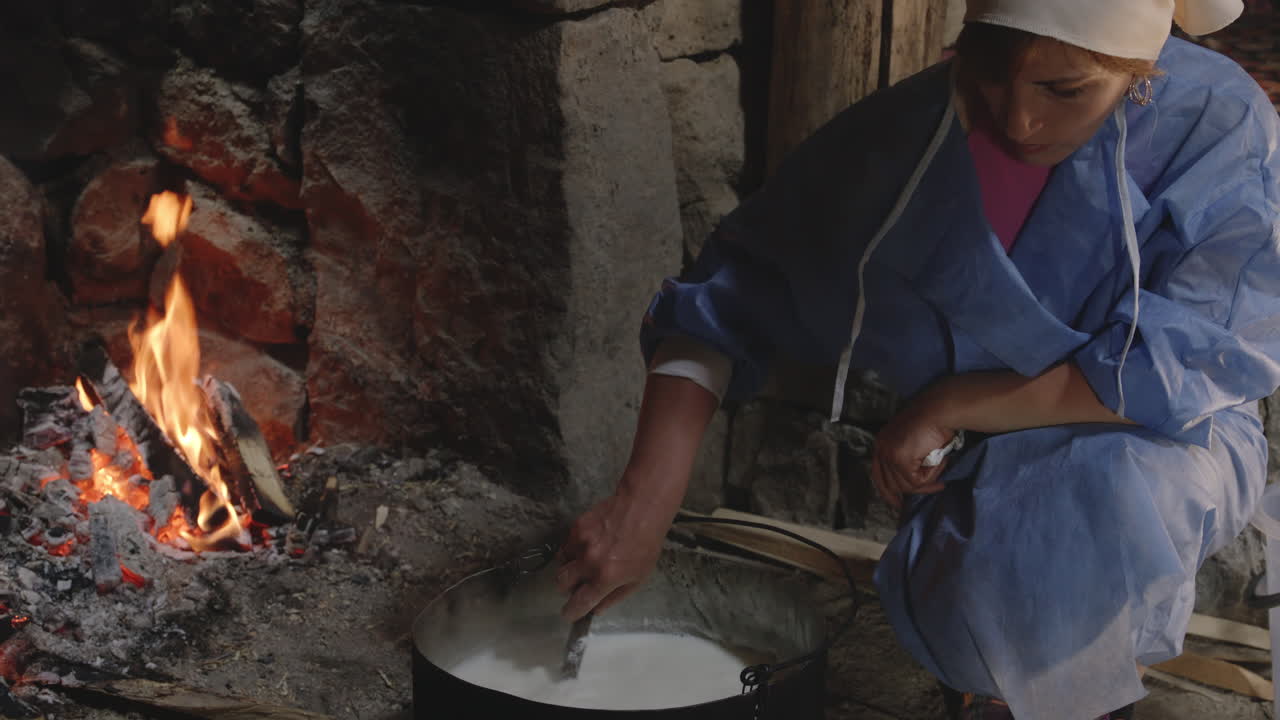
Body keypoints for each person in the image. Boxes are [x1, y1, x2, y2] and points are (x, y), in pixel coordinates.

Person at [556, 0, 1280, 717]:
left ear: (1141, 69)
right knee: (979, 594)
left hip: (1168, 439)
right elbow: (733, 293)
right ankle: (990, 680)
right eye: (990, 72)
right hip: (969, 454)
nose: (1019, 121)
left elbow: (1181, 365)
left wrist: (949, 404)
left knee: (1098, 501)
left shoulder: (1220, 124)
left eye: (1064, 90)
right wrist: (642, 504)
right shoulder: (909, 134)